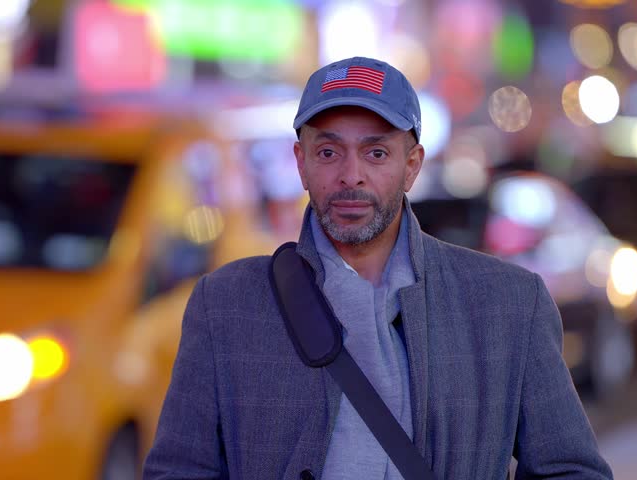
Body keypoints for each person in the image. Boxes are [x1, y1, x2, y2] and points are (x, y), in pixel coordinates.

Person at [143, 57, 612, 479]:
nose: (351, 175)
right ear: (301, 163)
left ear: (412, 166)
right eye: (329, 153)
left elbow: (572, 471)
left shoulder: (507, 305)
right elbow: (178, 471)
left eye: (376, 153)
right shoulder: (227, 306)